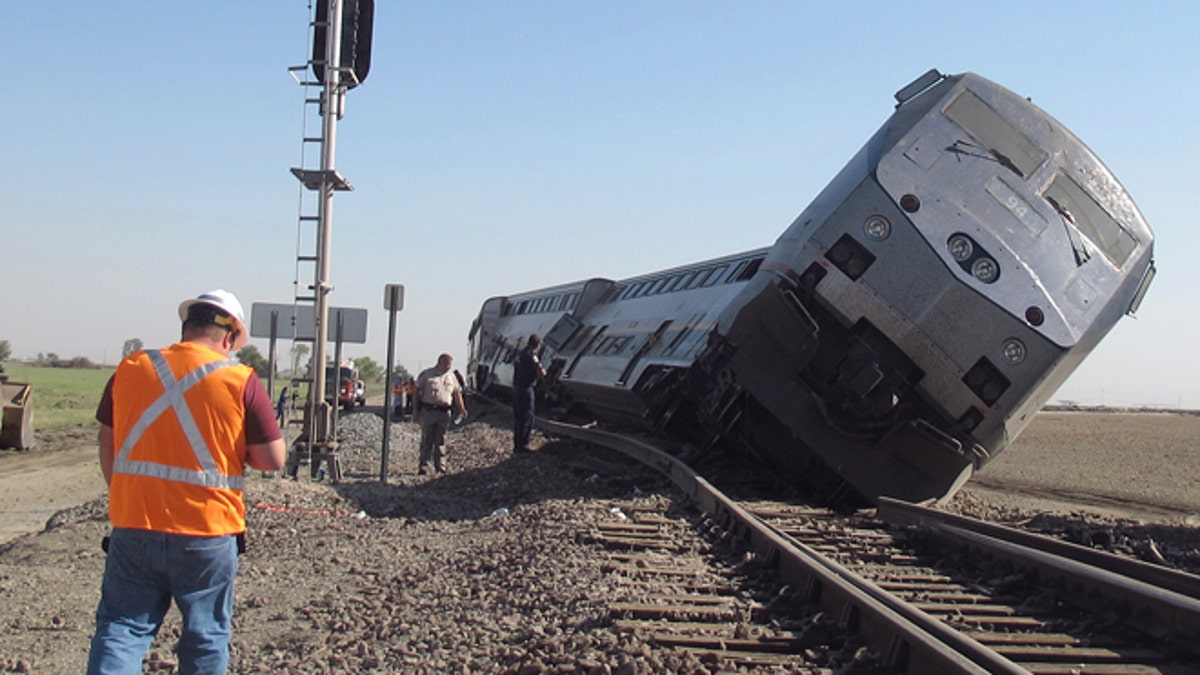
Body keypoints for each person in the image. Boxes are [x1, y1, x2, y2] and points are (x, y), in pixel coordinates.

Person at [87, 289, 287, 674]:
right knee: (204, 638)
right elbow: (272, 459)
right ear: (229, 337)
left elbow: (107, 444)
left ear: (186, 328)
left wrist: (127, 495)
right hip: (207, 533)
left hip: (134, 526)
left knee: (122, 629)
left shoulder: (130, 367)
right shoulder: (239, 378)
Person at [413, 353, 468, 474]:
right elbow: (416, 391)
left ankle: (440, 466)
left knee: (441, 439)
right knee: (427, 439)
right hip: (429, 411)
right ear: (440, 362)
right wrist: (415, 410)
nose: (449, 366)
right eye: (447, 363)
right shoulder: (427, 375)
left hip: (444, 412)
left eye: (450, 364)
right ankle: (424, 465)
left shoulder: (451, 377)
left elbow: (457, 393)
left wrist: (462, 409)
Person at [512, 334, 546, 454]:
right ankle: (524, 444)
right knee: (527, 416)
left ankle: (517, 444)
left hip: (516, 389)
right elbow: (540, 371)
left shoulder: (519, 355)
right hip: (526, 390)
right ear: (537, 345)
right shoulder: (532, 356)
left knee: (518, 418)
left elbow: (515, 365)